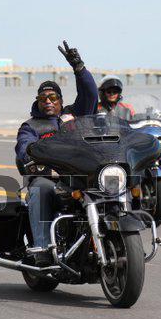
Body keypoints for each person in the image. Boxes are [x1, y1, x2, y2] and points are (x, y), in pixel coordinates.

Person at [15, 41, 98, 266]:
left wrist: (79, 68)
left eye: (53, 98)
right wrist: (29, 154)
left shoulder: (74, 115)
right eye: (43, 99)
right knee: (40, 189)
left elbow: (91, 95)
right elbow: (24, 147)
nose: (48, 102)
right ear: (38, 102)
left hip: (78, 175)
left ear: (61, 100)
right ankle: (42, 248)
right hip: (49, 177)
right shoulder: (31, 126)